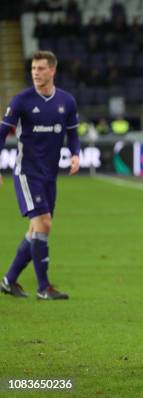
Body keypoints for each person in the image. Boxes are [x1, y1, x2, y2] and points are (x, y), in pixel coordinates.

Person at [0, 50, 80, 300]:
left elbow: (73, 133)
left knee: (36, 230)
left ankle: (8, 280)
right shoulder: (21, 100)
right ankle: (44, 287)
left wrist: (75, 153)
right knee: (43, 223)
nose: (36, 72)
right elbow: (2, 134)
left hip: (49, 176)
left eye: (41, 68)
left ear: (52, 70)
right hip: (27, 173)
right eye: (33, 68)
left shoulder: (66, 101)